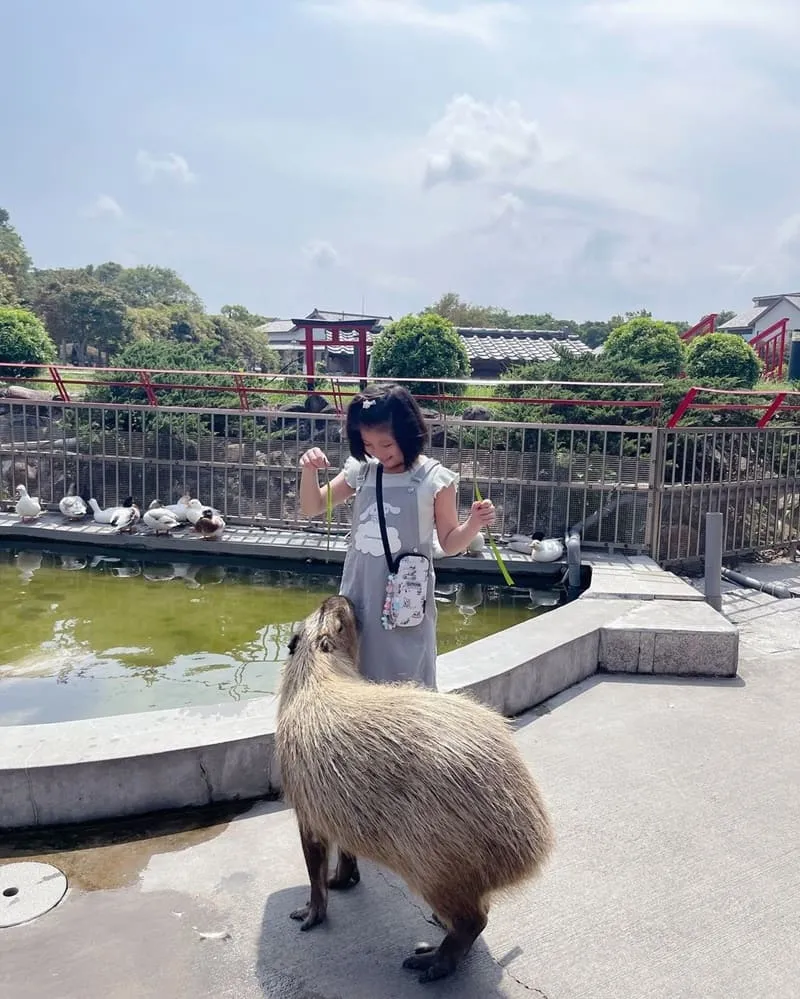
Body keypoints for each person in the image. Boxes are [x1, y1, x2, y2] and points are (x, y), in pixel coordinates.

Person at [298, 382, 495, 691]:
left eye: (386, 444)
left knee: (407, 679)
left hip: (406, 600)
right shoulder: (361, 471)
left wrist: (473, 524)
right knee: (355, 673)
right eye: (369, 444)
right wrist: (308, 470)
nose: (378, 453)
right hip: (358, 595)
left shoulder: (434, 478)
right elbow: (313, 506)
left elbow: (449, 543)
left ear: (408, 433)